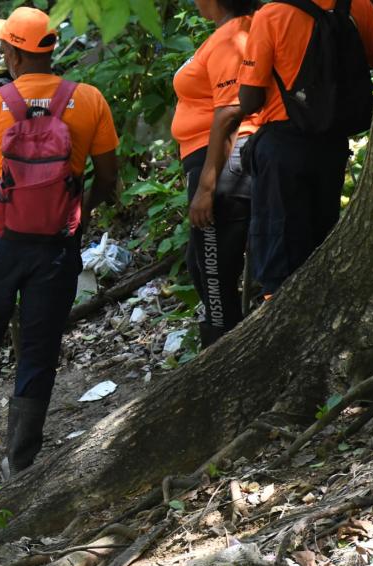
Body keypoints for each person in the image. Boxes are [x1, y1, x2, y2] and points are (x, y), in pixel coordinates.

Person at [0, 6, 119, 480]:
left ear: (13, 53)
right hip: (57, 246)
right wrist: (76, 215)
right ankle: (19, 462)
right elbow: (107, 178)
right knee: (40, 349)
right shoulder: (89, 100)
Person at [238, 0, 373, 299]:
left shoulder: (271, 15)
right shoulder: (356, 5)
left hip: (283, 147)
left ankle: (279, 313)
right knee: (320, 235)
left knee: (280, 244)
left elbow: (249, 100)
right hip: (332, 145)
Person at [172, 0, 260, 347]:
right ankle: (229, 352)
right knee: (204, 266)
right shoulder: (227, 34)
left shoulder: (232, 37)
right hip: (213, 160)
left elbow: (229, 113)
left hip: (222, 163)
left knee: (214, 272)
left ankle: (226, 356)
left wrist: (208, 186)